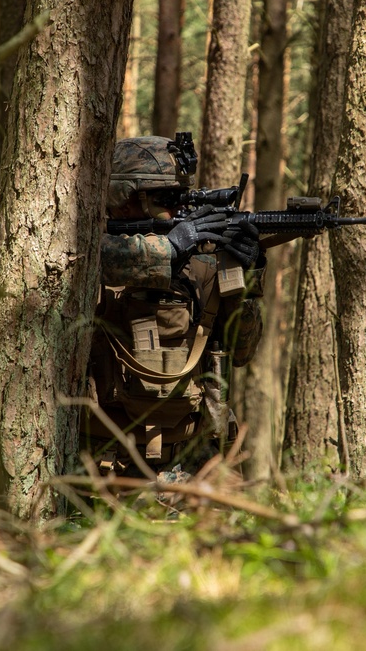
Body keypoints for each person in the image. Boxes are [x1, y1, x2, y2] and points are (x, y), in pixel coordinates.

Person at [83, 133, 265, 478]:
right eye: (166, 198)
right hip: (105, 461)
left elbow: (242, 351)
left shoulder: (200, 267)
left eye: (184, 198)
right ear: (122, 202)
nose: (181, 210)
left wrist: (250, 274)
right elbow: (95, 256)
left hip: (192, 456)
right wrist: (170, 248)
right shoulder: (90, 261)